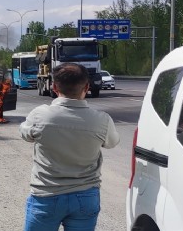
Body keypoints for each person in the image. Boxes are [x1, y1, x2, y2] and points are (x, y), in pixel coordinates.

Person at [19, 63, 120, 231]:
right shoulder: (102, 120)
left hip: (46, 195)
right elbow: (112, 142)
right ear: (87, 87)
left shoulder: (40, 115)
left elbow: (25, 134)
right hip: (85, 196)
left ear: (54, 86)